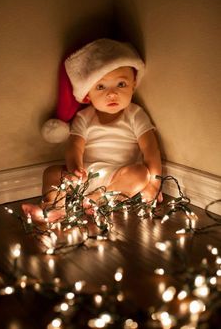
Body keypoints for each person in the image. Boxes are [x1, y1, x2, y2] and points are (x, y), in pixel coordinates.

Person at [22, 38, 162, 223]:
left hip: (118, 178)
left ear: (133, 84)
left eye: (121, 84)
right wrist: (74, 169)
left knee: (141, 174)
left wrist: (154, 185)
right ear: (88, 94)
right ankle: (55, 207)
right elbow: (75, 147)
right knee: (51, 173)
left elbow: (151, 150)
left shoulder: (135, 115)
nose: (112, 94)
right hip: (85, 176)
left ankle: (99, 199)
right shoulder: (84, 118)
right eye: (101, 87)